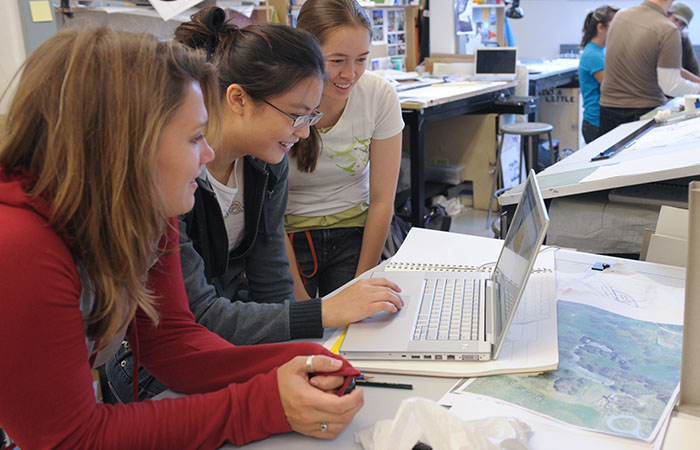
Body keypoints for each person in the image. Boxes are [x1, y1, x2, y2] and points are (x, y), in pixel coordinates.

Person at [0, 28, 364, 449]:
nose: (208, 154)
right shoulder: (20, 248)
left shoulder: (146, 203)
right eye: (194, 138)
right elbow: (69, 438)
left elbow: (171, 339)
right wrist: (262, 402)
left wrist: (303, 361)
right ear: (131, 145)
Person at [106, 7, 403, 403]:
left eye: (310, 117)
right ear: (238, 99)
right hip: (156, 368)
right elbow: (197, 318)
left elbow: (270, 285)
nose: (303, 133)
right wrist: (320, 313)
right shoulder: (172, 177)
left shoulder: (266, 163)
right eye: (296, 116)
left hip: (223, 341)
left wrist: (299, 352)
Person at [285, 0, 404, 299]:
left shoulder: (379, 95)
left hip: (356, 232)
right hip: (288, 236)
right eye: (337, 61)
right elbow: (267, 214)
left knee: (360, 330)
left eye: (361, 59)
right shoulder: (280, 99)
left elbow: (381, 201)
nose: (350, 74)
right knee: (299, 337)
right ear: (306, 52)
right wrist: (302, 304)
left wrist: (363, 283)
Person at [599, 0, 700, 134]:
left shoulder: (620, 16)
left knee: (606, 154)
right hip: (642, 111)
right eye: (676, 19)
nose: (677, 24)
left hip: (608, 108)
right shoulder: (667, 29)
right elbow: (671, 86)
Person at [579, 5, 619, 144]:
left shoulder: (601, 51)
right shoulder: (593, 55)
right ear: (600, 27)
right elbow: (611, 88)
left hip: (601, 120)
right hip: (596, 122)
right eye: (614, 27)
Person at [668, 1, 699, 76]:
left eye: (682, 24)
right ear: (667, 15)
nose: (677, 25)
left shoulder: (683, 40)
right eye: (675, 19)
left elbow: (695, 72)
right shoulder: (653, 36)